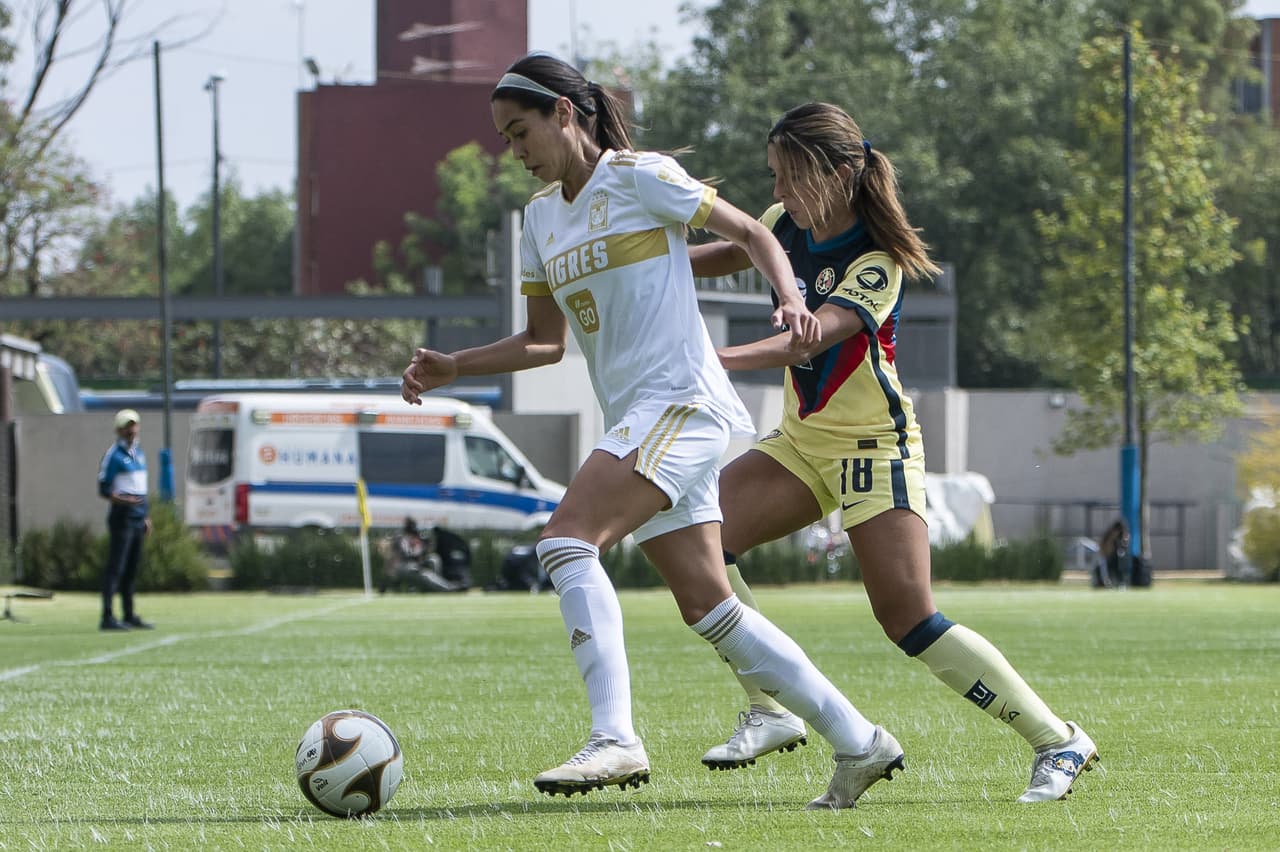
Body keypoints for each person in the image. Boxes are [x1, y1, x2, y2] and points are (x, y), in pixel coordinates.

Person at [402, 54, 903, 809]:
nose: (515, 151)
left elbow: (752, 233)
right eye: (505, 139)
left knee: (566, 539)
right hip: (640, 415)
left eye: (520, 131)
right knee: (710, 607)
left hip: (682, 400)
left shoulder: (642, 176)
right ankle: (860, 742)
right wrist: (454, 366)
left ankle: (615, 740)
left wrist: (792, 297)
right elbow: (544, 342)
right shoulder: (539, 220)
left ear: (566, 114)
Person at [688, 102, 1097, 803]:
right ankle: (771, 706)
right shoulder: (788, 220)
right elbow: (730, 251)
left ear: (841, 174)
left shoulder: (877, 262)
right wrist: (626, 267)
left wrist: (708, 358)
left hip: (874, 448)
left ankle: (1058, 741)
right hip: (800, 442)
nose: (780, 193)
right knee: (701, 541)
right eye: (774, 177)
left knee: (907, 618)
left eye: (790, 177)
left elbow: (808, 340)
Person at [96, 408, 153, 631]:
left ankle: (129, 614)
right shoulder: (114, 456)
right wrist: (126, 502)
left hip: (138, 518)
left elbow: (141, 489)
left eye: (134, 425)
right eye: (127, 426)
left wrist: (145, 515)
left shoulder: (138, 454)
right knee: (116, 568)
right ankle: (107, 616)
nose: (131, 430)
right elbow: (104, 489)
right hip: (122, 517)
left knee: (131, 568)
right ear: (118, 430)